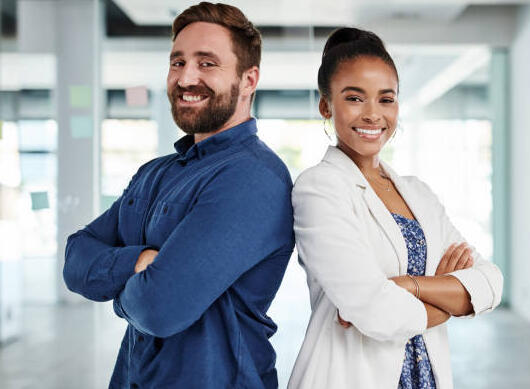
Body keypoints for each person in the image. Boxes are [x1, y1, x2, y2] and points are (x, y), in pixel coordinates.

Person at [63, 3, 294, 388]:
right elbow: (75, 258)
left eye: (207, 64)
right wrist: (140, 261)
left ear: (249, 79)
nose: (186, 77)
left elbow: (159, 307)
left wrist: (116, 286)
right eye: (178, 62)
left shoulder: (253, 176)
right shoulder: (154, 173)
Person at [288, 28, 503, 389]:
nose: (373, 115)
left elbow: (490, 282)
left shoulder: (418, 193)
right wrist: (451, 297)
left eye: (386, 99)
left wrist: (408, 285)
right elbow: (375, 312)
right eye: (355, 98)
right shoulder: (319, 188)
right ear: (326, 105)